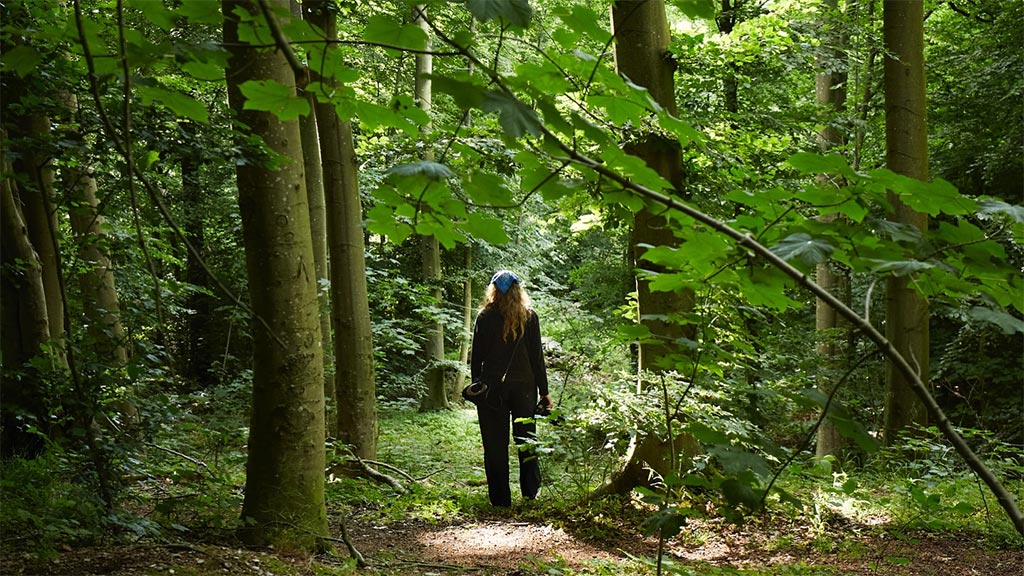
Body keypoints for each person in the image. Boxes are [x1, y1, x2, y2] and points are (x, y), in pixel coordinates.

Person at [470, 270, 553, 507]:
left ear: (493, 290)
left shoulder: (484, 317)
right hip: (524, 389)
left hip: (492, 389)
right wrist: (544, 391)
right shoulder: (529, 316)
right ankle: (530, 493)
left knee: (494, 445)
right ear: (519, 290)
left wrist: (478, 384)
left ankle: (500, 499)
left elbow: (476, 358)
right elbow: (537, 357)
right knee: (526, 440)